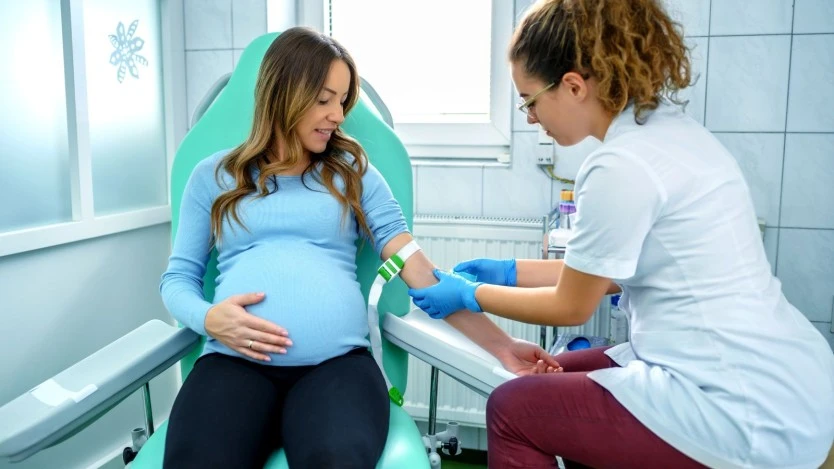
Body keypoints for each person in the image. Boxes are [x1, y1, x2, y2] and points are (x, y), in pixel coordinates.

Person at [407, 1, 834, 468]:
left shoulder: (620, 165)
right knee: (542, 376)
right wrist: (508, 272)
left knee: (512, 409)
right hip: (785, 369)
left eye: (529, 100)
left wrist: (472, 294)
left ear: (572, 85)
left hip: (737, 401)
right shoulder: (669, 131)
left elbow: (571, 305)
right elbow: (606, 270)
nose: (529, 118)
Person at [159, 27, 558, 468]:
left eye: (342, 101)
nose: (335, 115)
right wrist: (208, 317)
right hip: (234, 365)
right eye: (324, 99)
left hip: (337, 368)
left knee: (336, 460)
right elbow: (178, 279)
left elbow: (420, 272)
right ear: (284, 92)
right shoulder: (212, 176)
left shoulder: (354, 174)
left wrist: (502, 347)